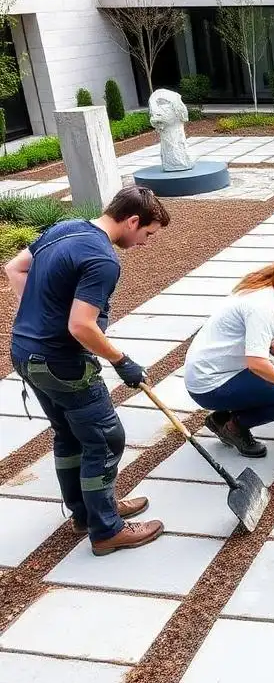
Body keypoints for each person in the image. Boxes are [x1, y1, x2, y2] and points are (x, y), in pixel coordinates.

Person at [5, 186, 171, 556]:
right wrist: (122, 361)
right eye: (147, 234)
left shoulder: (65, 228)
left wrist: (39, 314)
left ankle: (89, 512)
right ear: (132, 220)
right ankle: (107, 530)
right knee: (104, 438)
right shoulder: (102, 259)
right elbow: (82, 326)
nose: (145, 243)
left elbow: (14, 267)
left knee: (68, 433)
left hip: (26, 352)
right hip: (61, 363)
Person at [184, 258, 274, 458]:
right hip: (210, 384)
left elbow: (272, 341)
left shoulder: (268, 292)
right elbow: (256, 363)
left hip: (222, 371)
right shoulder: (263, 305)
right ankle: (234, 427)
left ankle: (221, 418)